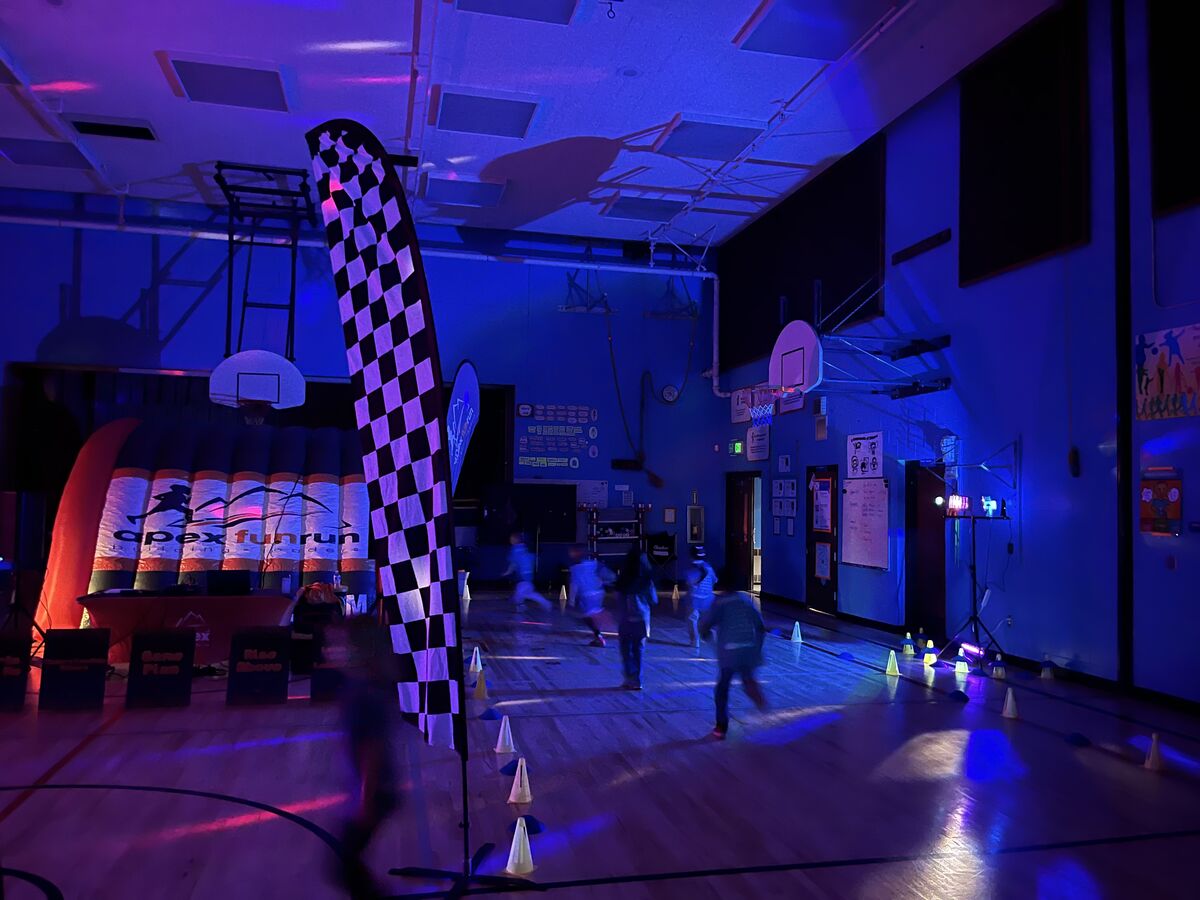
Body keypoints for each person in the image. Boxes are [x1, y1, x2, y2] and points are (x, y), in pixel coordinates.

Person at [329, 617, 403, 899]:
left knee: (344, 867)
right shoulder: (367, 686)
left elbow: (372, 750)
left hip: (376, 792)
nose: (329, 650)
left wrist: (365, 799)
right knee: (348, 865)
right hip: (377, 789)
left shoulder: (363, 693)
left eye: (337, 644)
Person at [699, 589, 768, 739]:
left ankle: (721, 727)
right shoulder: (746, 600)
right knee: (746, 677)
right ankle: (755, 692)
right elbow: (760, 626)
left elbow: (706, 623)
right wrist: (757, 649)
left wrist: (705, 633)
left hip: (730, 652)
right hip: (748, 649)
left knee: (722, 689)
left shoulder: (720, 603)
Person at [614, 546, 657, 690]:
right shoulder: (647, 580)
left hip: (625, 619)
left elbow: (618, 599)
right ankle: (637, 680)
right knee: (638, 649)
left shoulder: (622, 580)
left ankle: (628, 677)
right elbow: (654, 600)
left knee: (625, 649)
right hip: (642, 619)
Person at [568, 545, 613, 647]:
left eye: (573, 552)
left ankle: (599, 637)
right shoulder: (593, 564)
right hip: (597, 593)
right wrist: (604, 583)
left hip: (587, 595)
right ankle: (598, 634)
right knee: (591, 614)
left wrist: (571, 601)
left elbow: (574, 585)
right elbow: (609, 575)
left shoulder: (575, 569)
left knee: (587, 616)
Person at [505, 532, 550, 610]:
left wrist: (508, 572)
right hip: (527, 575)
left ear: (515, 540)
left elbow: (513, 563)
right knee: (525, 593)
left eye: (511, 539)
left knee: (525, 594)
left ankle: (545, 603)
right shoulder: (524, 548)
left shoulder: (515, 550)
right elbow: (530, 558)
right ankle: (521, 606)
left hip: (523, 577)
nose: (510, 541)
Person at [684, 546, 717, 651]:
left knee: (692, 619)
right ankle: (711, 638)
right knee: (706, 620)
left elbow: (689, 583)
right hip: (708, 598)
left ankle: (695, 641)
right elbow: (715, 580)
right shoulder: (709, 567)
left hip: (694, 599)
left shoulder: (691, 569)